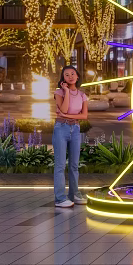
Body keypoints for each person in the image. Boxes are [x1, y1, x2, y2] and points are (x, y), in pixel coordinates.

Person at [52, 66, 88, 208]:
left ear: (77, 76)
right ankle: (60, 198)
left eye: (73, 74)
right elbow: (65, 108)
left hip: (75, 129)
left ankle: (74, 194)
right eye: (66, 75)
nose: (70, 76)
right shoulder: (59, 93)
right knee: (60, 165)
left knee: (74, 165)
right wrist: (66, 91)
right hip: (61, 128)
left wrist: (67, 115)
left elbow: (84, 116)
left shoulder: (82, 95)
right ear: (63, 79)